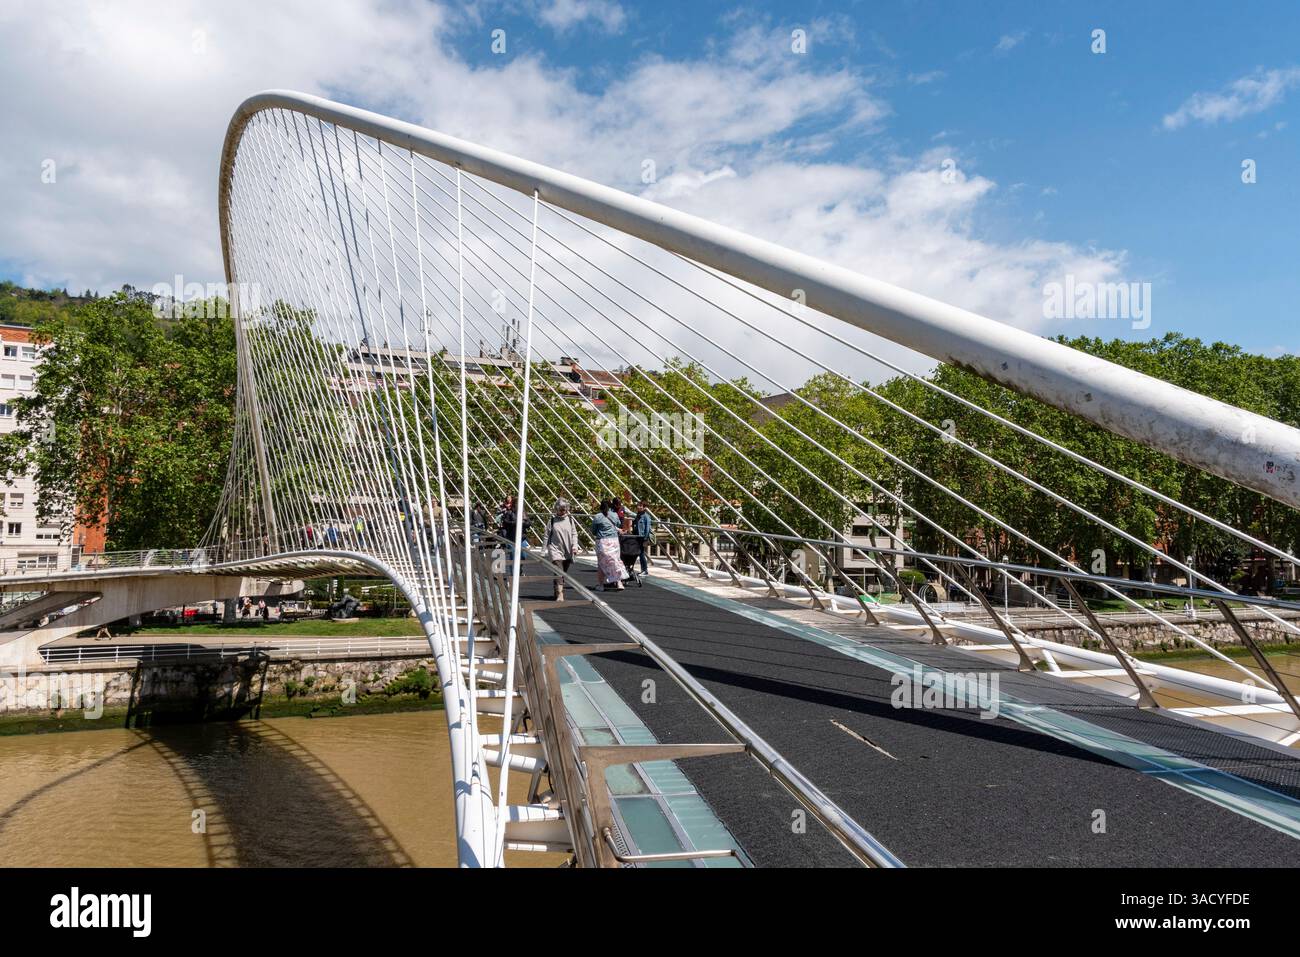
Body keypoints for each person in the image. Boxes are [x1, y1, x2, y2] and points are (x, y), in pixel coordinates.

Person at [544, 498, 579, 600]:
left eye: (564, 509)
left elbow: (574, 534)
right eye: (561, 509)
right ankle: (560, 594)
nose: (563, 511)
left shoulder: (570, 520)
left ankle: (557, 590)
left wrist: (575, 546)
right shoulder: (552, 520)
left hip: (567, 550)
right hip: (555, 549)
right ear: (556, 509)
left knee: (563, 573)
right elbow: (546, 536)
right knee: (559, 571)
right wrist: (543, 551)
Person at [591, 498, 624, 591]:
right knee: (615, 561)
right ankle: (619, 582)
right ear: (610, 506)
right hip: (614, 541)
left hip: (602, 542)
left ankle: (601, 585)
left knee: (601, 563)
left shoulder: (598, 516)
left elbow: (593, 530)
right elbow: (618, 524)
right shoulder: (614, 515)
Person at [634, 500, 654, 577]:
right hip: (636, 537)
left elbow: (647, 529)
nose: (638, 507)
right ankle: (643, 570)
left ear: (644, 507)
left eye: (640, 506)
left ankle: (645, 570)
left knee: (641, 554)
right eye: (638, 505)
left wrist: (645, 539)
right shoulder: (638, 515)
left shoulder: (646, 516)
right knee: (639, 554)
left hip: (642, 538)